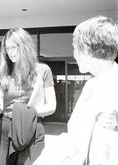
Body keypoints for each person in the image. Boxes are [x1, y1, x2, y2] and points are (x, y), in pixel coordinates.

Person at [51, 16, 118, 165]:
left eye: (75, 48)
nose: (74, 54)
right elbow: (74, 138)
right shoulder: (90, 86)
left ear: (86, 49)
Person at [0, 27, 56, 165]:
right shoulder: (2, 72)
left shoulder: (43, 70)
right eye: (7, 48)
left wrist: (24, 114)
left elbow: (51, 106)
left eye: (14, 47)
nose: (10, 52)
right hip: (7, 127)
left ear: (25, 46)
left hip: (31, 126)